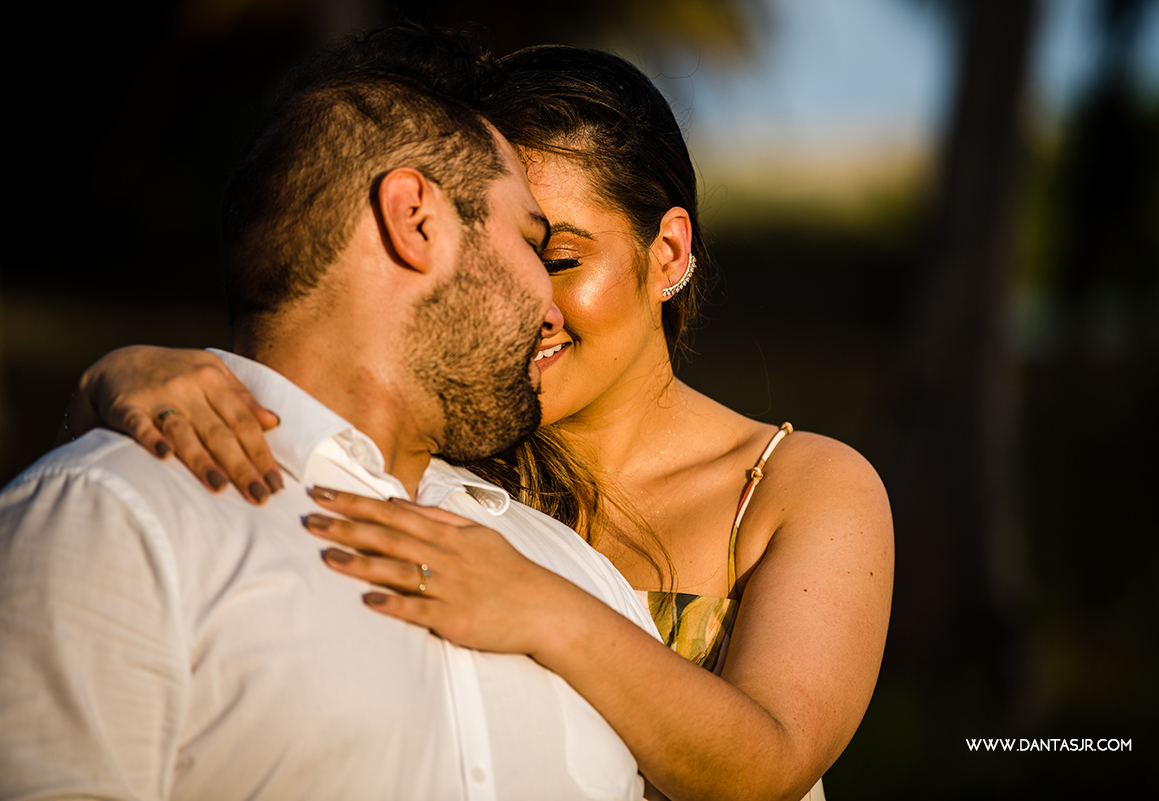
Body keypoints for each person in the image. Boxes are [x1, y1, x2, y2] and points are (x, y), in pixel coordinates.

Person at [63, 45, 894, 801]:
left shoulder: (797, 486)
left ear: (668, 254)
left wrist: (544, 605)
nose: (529, 300)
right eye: (500, 254)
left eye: (559, 257)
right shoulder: (438, 462)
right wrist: (109, 381)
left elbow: (772, 762)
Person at [0, 27, 664, 801]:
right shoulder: (115, 522)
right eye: (531, 240)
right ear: (415, 219)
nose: (550, 310)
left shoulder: (572, 575)